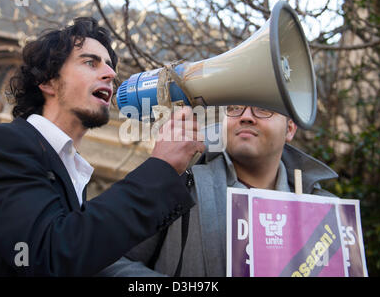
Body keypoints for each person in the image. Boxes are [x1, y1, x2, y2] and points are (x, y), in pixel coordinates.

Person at [0, 17, 205, 276]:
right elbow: (51, 253)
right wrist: (161, 169)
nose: (111, 74)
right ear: (47, 81)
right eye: (90, 62)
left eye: (111, 67)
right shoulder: (3, 146)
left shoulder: (68, 167)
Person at [99, 104, 339, 276]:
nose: (246, 117)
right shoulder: (178, 183)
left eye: (263, 108)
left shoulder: (326, 214)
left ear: (289, 129)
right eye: (235, 108)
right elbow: (106, 259)